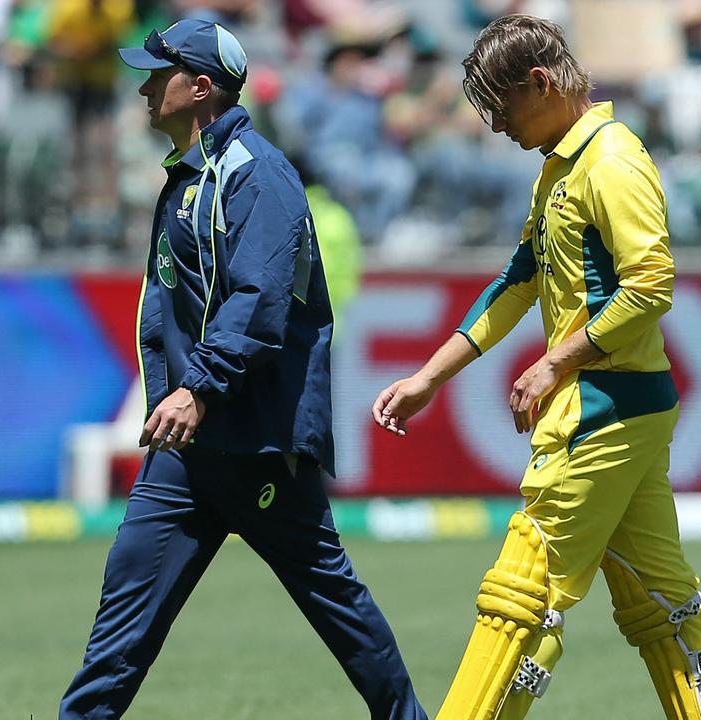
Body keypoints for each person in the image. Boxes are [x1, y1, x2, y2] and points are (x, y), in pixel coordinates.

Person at [371, 15, 701, 720]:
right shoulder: (561, 166)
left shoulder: (610, 161)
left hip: (601, 409)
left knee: (521, 596)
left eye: (500, 105)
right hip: (625, 404)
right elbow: (519, 280)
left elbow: (650, 285)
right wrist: (429, 378)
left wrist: (554, 364)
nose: (494, 124)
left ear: (541, 83)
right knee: (662, 604)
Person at [58, 19, 426, 720]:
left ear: (200, 88)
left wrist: (197, 389)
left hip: (255, 440)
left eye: (155, 74)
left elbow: (258, 304)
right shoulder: (191, 175)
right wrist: (175, 400)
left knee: (335, 607)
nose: (141, 86)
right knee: (122, 616)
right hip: (188, 449)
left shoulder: (259, 175)